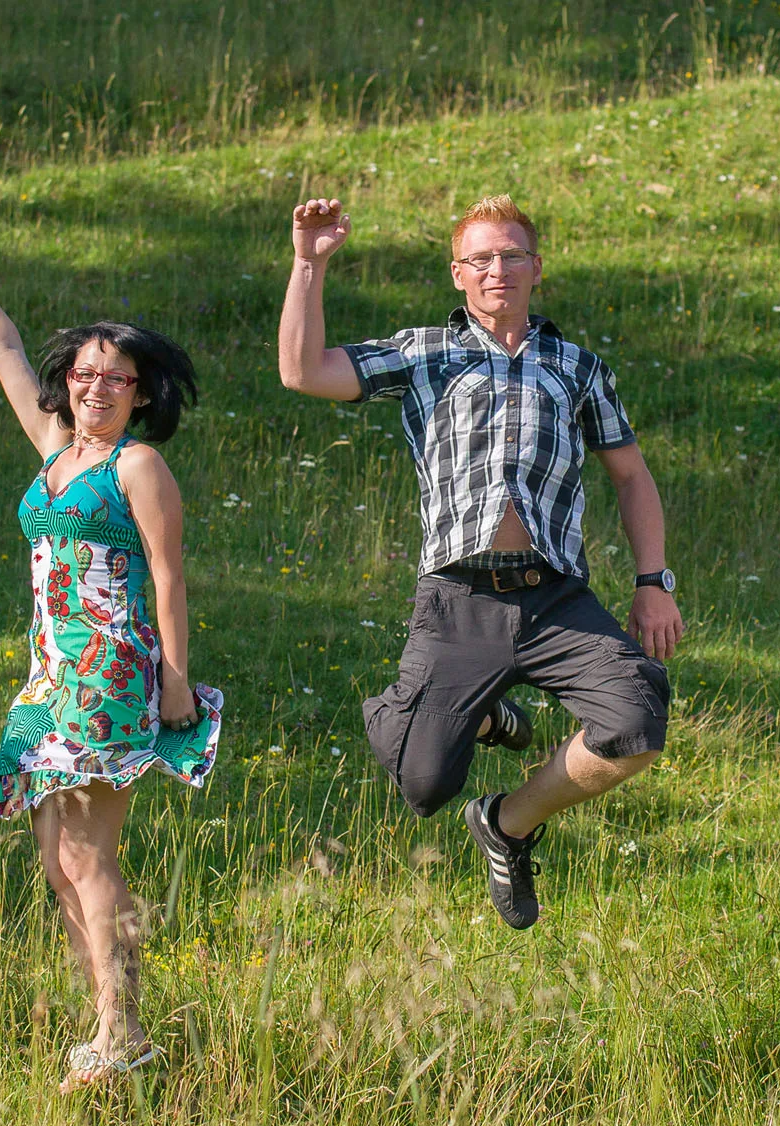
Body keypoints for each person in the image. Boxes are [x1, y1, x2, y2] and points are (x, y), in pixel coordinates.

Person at [277, 192, 681, 930]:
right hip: (458, 601)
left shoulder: (579, 368)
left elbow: (631, 475)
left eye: (512, 255)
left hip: (555, 598)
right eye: (481, 258)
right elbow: (303, 372)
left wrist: (653, 582)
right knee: (424, 784)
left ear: (537, 268)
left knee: (636, 719)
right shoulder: (424, 352)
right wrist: (309, 264)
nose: (499, 269)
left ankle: (507, 822)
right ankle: (482, 713)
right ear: (458, 273)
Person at [0, 210, 223, 1093]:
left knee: (88, 854)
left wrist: (174, 680)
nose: (96, 387)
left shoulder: (136, 467)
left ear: (141, 394)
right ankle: (109, 1021)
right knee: (54, 859)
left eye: (116, 378)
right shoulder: (56, 451)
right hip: (49, 678)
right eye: (84, 373)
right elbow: (3, 350)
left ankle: (121, 1033)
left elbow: (169, 578)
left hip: (108, 671)